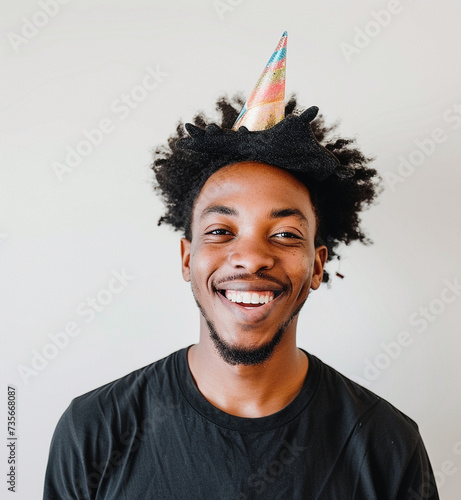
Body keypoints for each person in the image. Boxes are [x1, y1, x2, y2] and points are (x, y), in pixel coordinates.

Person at [44, 33, 439, 499]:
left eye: (285, 235)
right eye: (220, 231)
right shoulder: (95, 430)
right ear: (188, 258)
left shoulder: (386, 444)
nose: (251, 257)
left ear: (316, 266)